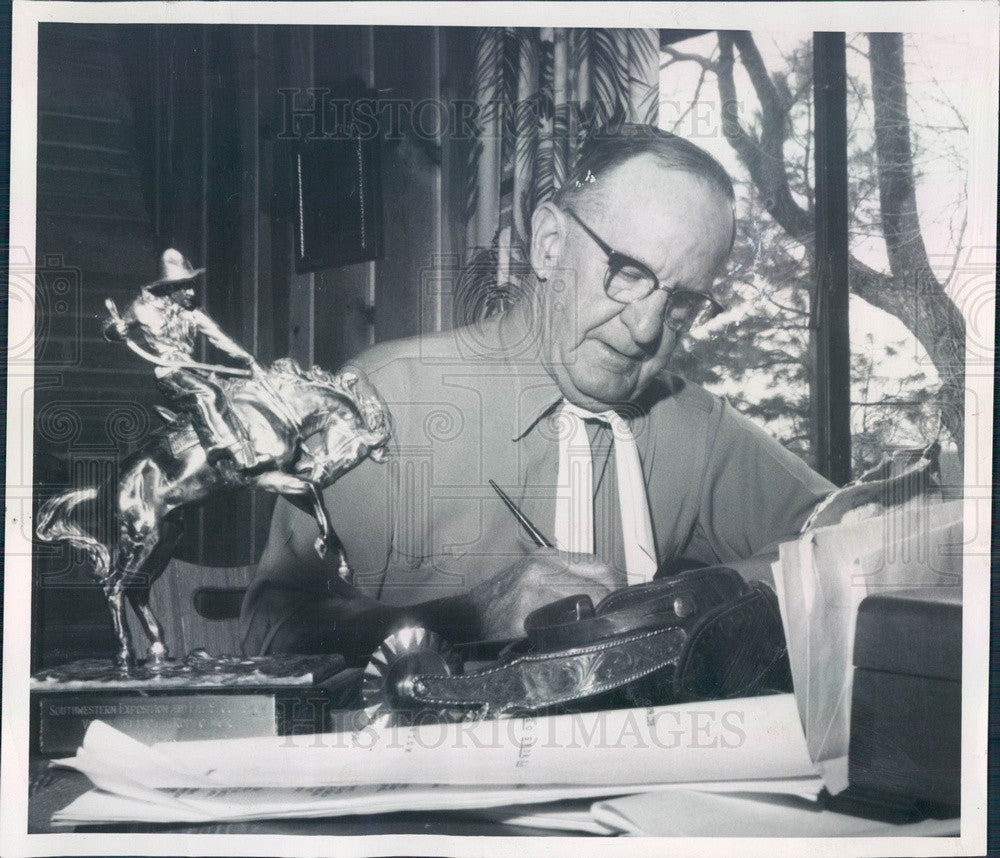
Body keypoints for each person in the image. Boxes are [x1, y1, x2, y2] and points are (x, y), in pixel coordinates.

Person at [240, 126, 834, 663]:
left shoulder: (692, 427)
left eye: (681, 302)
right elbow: (273, 635)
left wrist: (698, 604)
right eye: (628, 272)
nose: (649, 328)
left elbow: (857, 538)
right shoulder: (384, 406)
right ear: (549, 243)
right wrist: (467, 617)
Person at [104, 248, 258, 469]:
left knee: (231, 393)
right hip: (170, 373)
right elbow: (112, 327)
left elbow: (219, 336)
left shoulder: (192, 310)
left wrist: (249, 360)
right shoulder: (142, 308)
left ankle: (246, 447)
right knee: (210, 393)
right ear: (168, 288)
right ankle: (216, 445)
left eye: (191, 285)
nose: (191, 292)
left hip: (190, 369)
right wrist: (115, 330)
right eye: (184, 286)